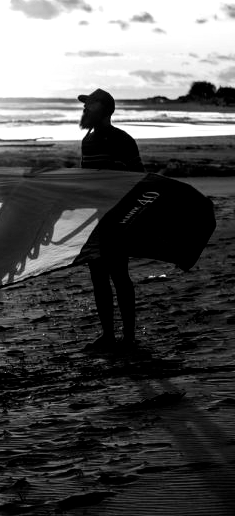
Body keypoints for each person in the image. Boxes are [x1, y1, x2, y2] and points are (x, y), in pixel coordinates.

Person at [78, 89, 144, 351]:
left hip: (118, 217)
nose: (85, 109)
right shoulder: (87, 141)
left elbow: (138, 177)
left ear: (105, 110)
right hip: (94, 218)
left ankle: (128, 337)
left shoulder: (122, 140)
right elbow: (86, 179)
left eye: (90, 105)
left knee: (119, 275)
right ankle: (107, 335)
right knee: (97, 276)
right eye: (85, 105)